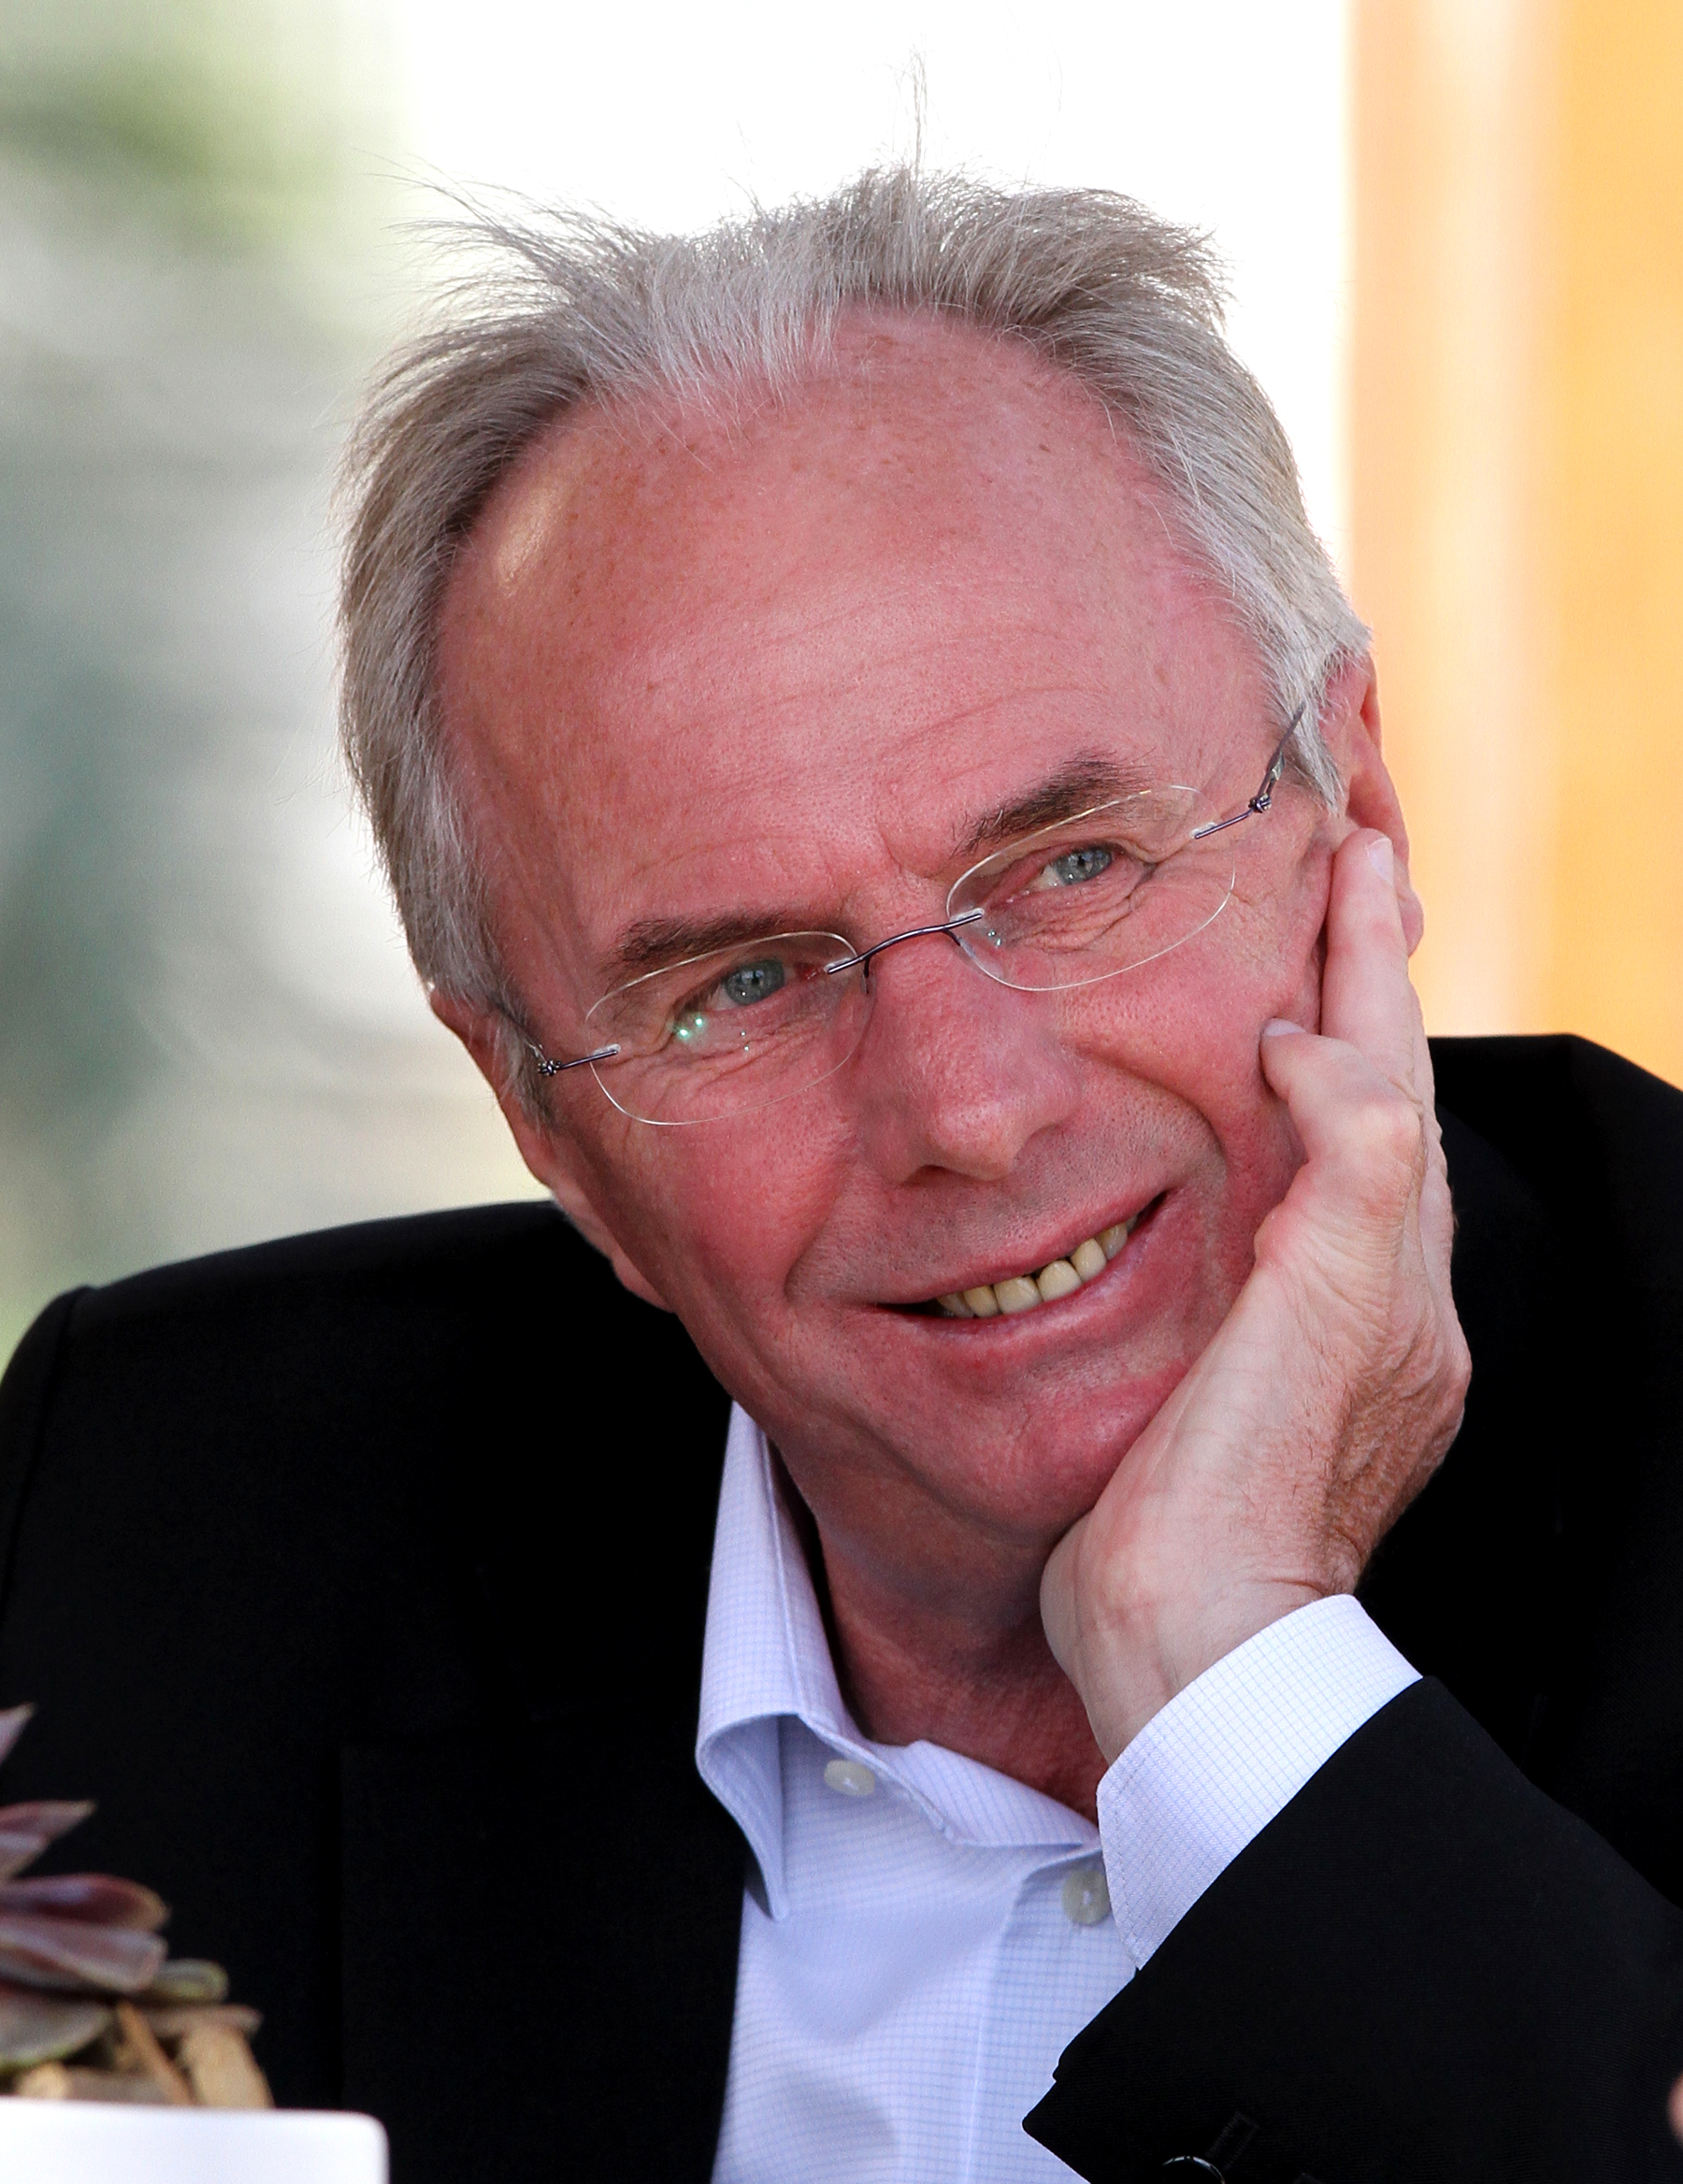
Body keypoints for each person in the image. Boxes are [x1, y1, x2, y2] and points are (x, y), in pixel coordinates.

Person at [2, 165, 1681, 2182]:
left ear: (1355, 816)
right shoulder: (168, 1522)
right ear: (549, 1125)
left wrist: (1238, 1678)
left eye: (1073, 866)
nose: (965, 1107)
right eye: (740, 985)